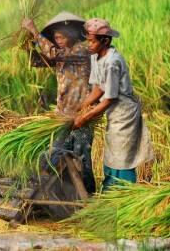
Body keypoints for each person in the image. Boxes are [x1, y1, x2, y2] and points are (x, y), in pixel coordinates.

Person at [74, 18, 154, 191]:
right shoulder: (96, 57)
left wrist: (85, 117)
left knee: (122, 157)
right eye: (88, 40)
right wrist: (79, 108)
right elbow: (98, 88)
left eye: (92, 41)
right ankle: (111, 193)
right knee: (111, 154)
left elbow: (109, 98)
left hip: (125, 114)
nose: (89, 45)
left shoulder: (113, 62)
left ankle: (124, 194)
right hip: (113, 113)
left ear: (105, 41)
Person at [22, 12, 96, 194]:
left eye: (62, 36)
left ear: (72, 35)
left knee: (82, 157)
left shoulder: (80, 50)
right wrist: (27, 46)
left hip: (81, 115)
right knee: (56, 155)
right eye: (55, 37)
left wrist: (34, 31)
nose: (58, 39)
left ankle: (90, 197)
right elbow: (38, 61)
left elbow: (53, 53)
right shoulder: (62, 56)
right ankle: (67, 197)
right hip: (62, 116)